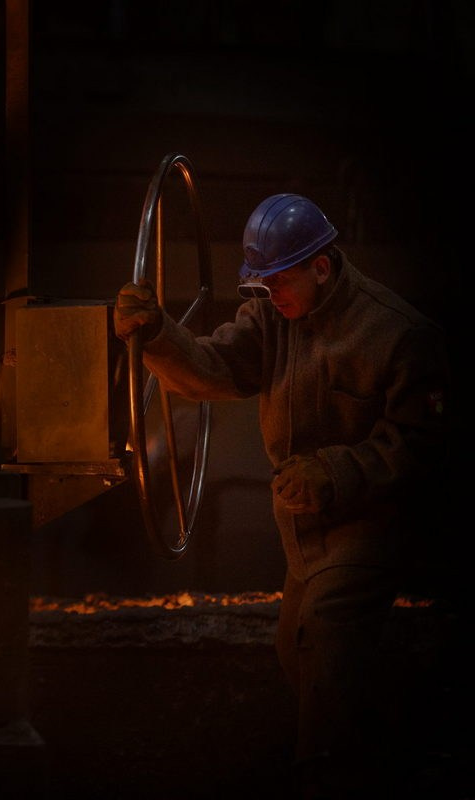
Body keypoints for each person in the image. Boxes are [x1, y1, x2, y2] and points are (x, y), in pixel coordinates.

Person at [113, 193, 449, 799]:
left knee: (327, 633)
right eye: (262, 284)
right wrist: (160, 335)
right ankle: (390, 755)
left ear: (321, 266)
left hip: (366, 518)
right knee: (297, 650)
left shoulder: (397, 334)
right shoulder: (274, 314)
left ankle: (329, 778)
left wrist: (337, 472)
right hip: (303, 524)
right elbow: (216, 366)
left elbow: (423, 444)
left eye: (280, 280)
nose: (272, 294)